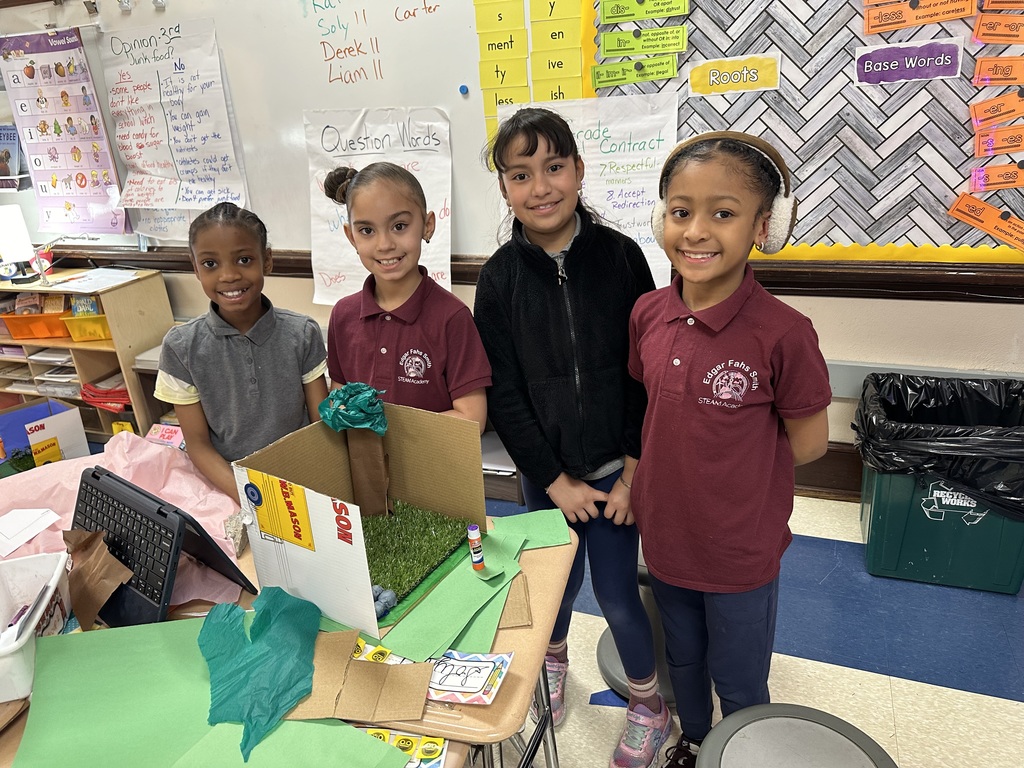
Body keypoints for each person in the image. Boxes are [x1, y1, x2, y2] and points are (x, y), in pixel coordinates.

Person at [628, 132, 831, 768]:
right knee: (682, 659)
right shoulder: (646, 313)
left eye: (723, 212)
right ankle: (692, 742)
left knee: (739, 678)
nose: (695, 231)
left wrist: (732, 480)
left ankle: (742, 751)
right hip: (666, 538)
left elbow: (810, 444)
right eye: (680, 211)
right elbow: (651, 409)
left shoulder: (784, 333)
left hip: (739, 550)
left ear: (763, 227)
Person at [473, 107, 666, 768]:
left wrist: (635, 473)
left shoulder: (621, 258)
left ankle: (649, 704)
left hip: (618, 474)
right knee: (550, 590)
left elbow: (644, 373)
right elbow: (505, 396)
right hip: (545, 475)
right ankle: (551, 663)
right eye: (520, 174)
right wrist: (554, 481)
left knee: (617, 595)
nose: (541, 186)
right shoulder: (498, 281)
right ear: (504, 188)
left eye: (554, 167)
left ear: (579, 171)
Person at [155, 202, 329, 503]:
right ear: (195, 268)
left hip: (301, 478)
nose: (229, 276)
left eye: (244, 259)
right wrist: (249, 495)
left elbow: (320, 428)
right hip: (227, 483)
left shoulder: (303, 333)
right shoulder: (181, 347)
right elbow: (197, 446)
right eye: (210, 264)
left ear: (267, 260)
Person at [323, 162, 490, 432]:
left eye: (399, 226)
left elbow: (472, 418)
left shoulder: (452, 317)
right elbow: (338, 399)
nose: (385, 244)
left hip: (433, 470)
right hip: (364, 469)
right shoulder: (343, 315)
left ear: (427, 225)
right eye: (367, 230)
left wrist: (385, 425)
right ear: (351, 237)